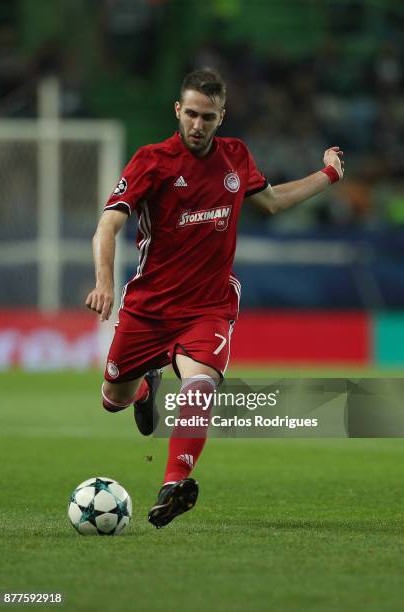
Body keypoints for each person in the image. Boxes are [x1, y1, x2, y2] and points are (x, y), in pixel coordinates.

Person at [85, 68, 344, 528]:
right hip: (148, 309)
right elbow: (108, 225)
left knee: (199, 387)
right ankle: (144, 386)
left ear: (221, 116)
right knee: (112, 397)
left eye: (208, 116)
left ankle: (172, 484)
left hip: (208, 307)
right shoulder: (152, 160)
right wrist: (104, 282)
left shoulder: (235, 157)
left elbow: (273, 202)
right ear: (177, 111)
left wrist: (327, 174)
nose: (198, 125)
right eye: (190, 114)